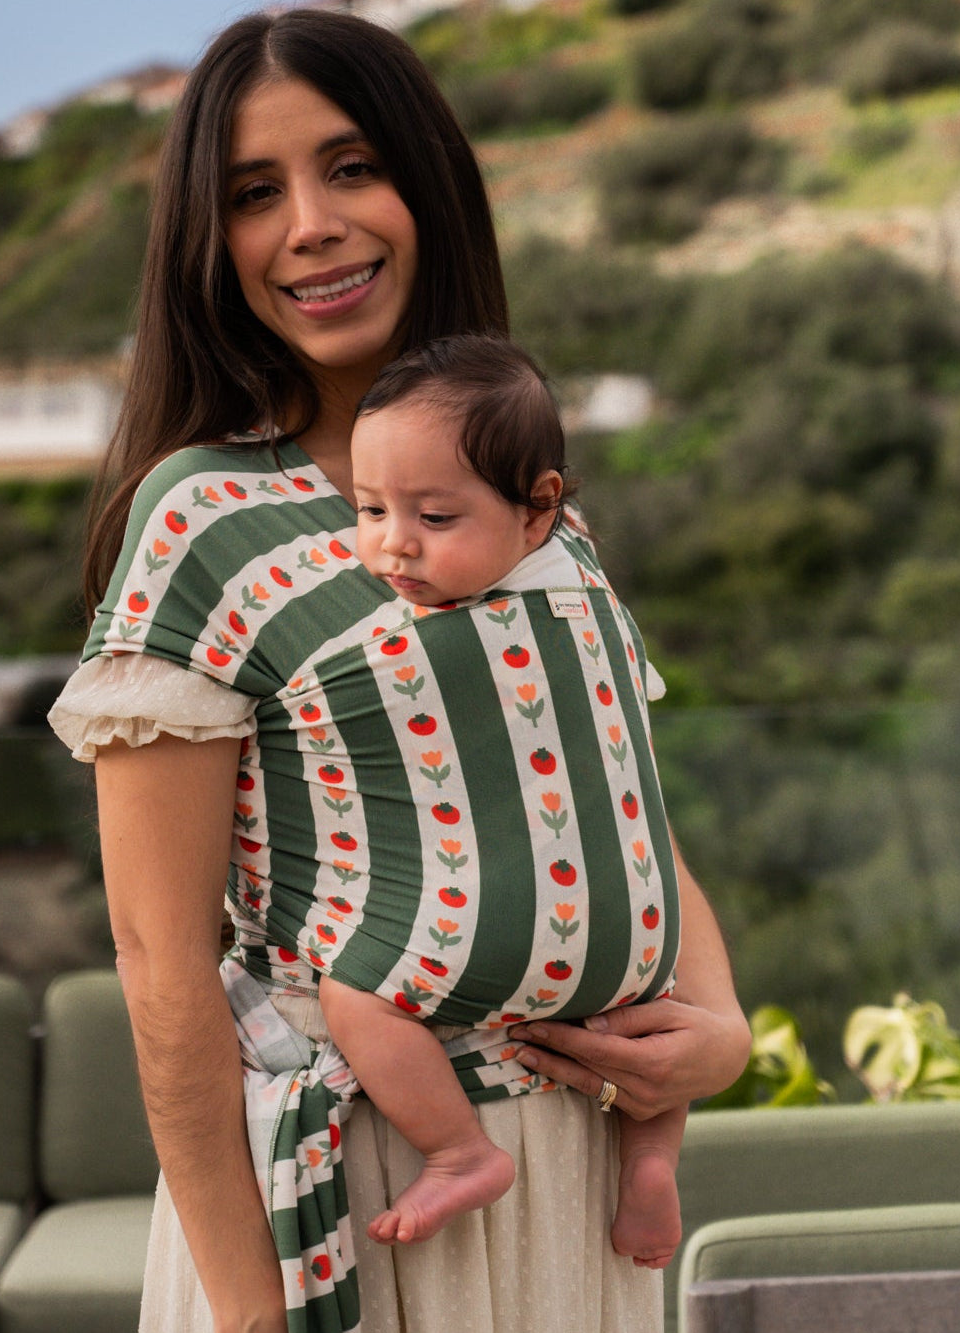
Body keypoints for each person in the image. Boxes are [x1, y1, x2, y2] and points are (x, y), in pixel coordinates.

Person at [47, 10, 751, 1333]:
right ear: (213, 241)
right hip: (365, 1189)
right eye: (256, 193)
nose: (310, 223)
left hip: (580, 1177)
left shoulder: (523, 512)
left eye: (353, 166)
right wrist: (251, 1308)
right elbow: (159, 960)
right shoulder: (200, 520)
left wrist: (718, 1026)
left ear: (427, 188)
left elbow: (614, 803)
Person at [316, 333, 687, 1268]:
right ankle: (649, 1163)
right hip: (639, 934)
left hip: (495, 932)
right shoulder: (588, 580)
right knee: (656, 1018)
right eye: (368, 508)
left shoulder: (404, 636)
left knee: (354, 992)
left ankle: (457, 1150)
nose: (392, 541)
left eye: (434, 516)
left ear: (536, 513)